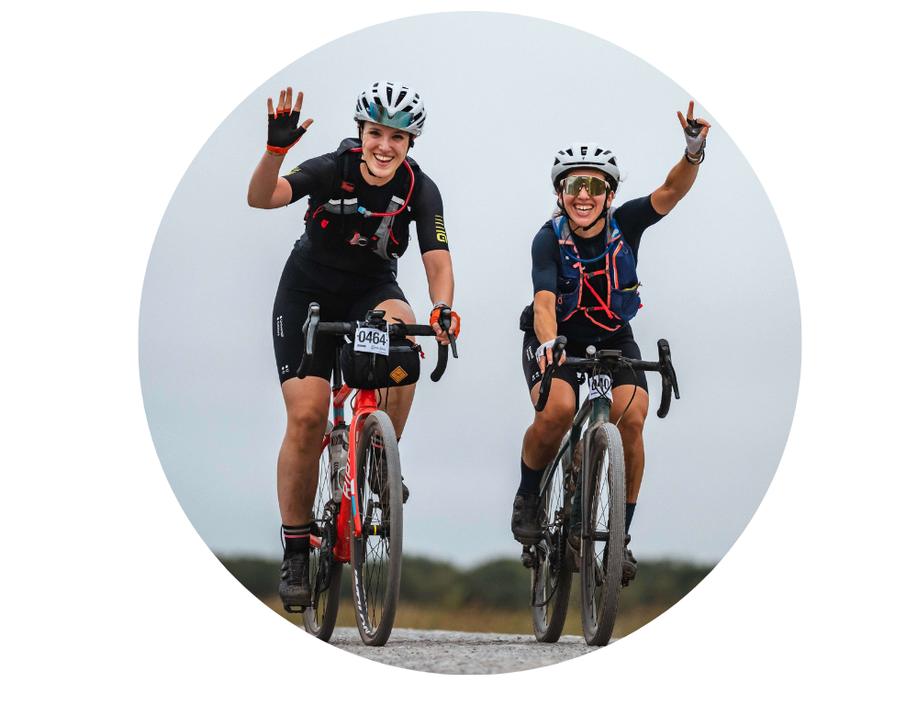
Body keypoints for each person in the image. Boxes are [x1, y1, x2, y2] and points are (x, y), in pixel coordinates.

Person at [247, 82, 460, 610]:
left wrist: (443, 308)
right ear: (360, 134)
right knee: (308, 417)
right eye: (375, 134)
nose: (384, 146)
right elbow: (261, 198)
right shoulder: (329, 169)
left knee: (405, 334)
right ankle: (296, 548)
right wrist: (276, 153)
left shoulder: (419, 189)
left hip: (371, 291)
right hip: (308, 293)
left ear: (410, 143)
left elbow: (437, 258)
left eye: (397, 137)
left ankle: (381, 458)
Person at [511, 102, 710, 585]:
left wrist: (693, 151)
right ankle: (530, 496)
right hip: (556, 338)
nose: (584, 195)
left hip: (613, 338)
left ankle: (618, 540)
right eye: (574, 186)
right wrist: (548, 344)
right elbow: (542, 303)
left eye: (595, 186)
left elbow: (670, 192)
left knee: (633, 419)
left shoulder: (628, 223)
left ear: (609, 193)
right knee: (557, 411)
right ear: (560, 194)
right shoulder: (546, 240)